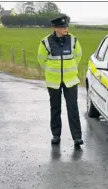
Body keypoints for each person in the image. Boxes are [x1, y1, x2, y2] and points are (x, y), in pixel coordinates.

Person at [37, 14, 84, 146]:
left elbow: (78, 56)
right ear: (55, 28)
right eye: (63, 27)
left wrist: (71, 68)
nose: (66, 29)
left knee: (73, 108)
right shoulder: (45, 42)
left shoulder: (74, 40)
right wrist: (51, 71)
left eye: (66, 27)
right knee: (55, 108)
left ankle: (77, 137)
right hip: (53, 82)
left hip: (71, 81)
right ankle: (56, 135)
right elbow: (41, 60)